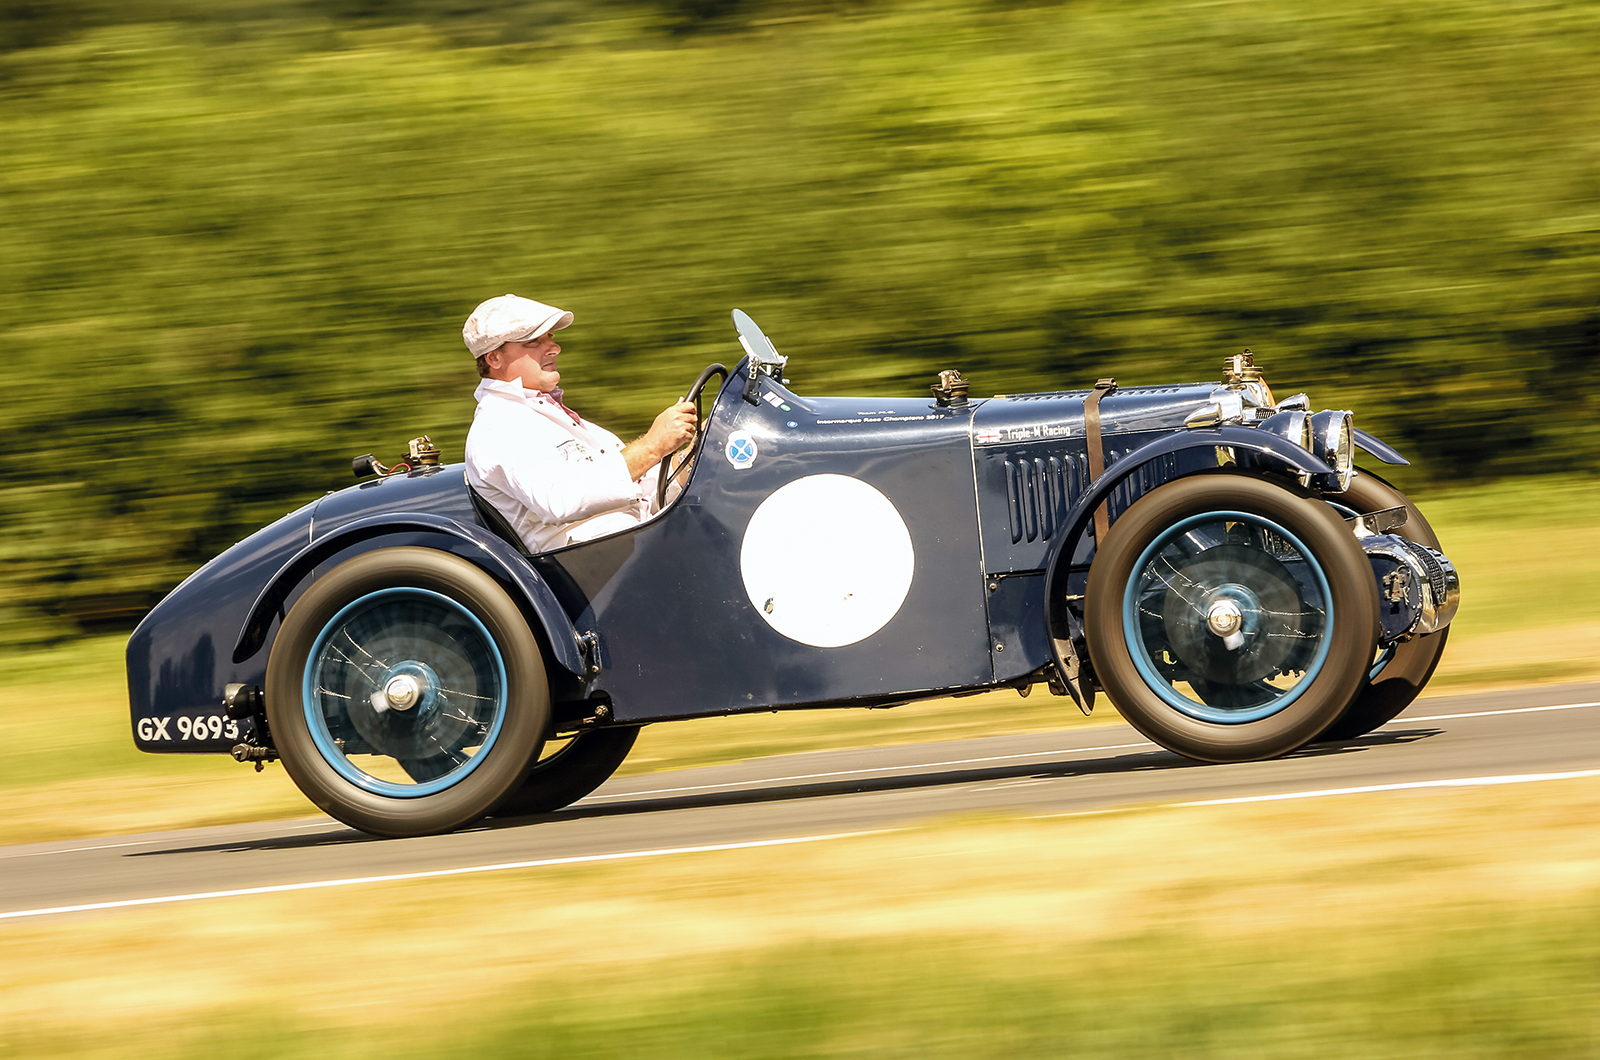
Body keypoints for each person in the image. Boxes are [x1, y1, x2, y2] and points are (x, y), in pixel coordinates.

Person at [462, 293, 697, 553]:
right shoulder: (500, 425)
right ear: (494, 359)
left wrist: (691, 456)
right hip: (599, 566)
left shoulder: (543, 414)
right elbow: (561, 499)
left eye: (550, 337)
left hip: (637, 544)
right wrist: (653, 446)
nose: (554, 347)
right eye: (533, 341)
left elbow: (643, 492)